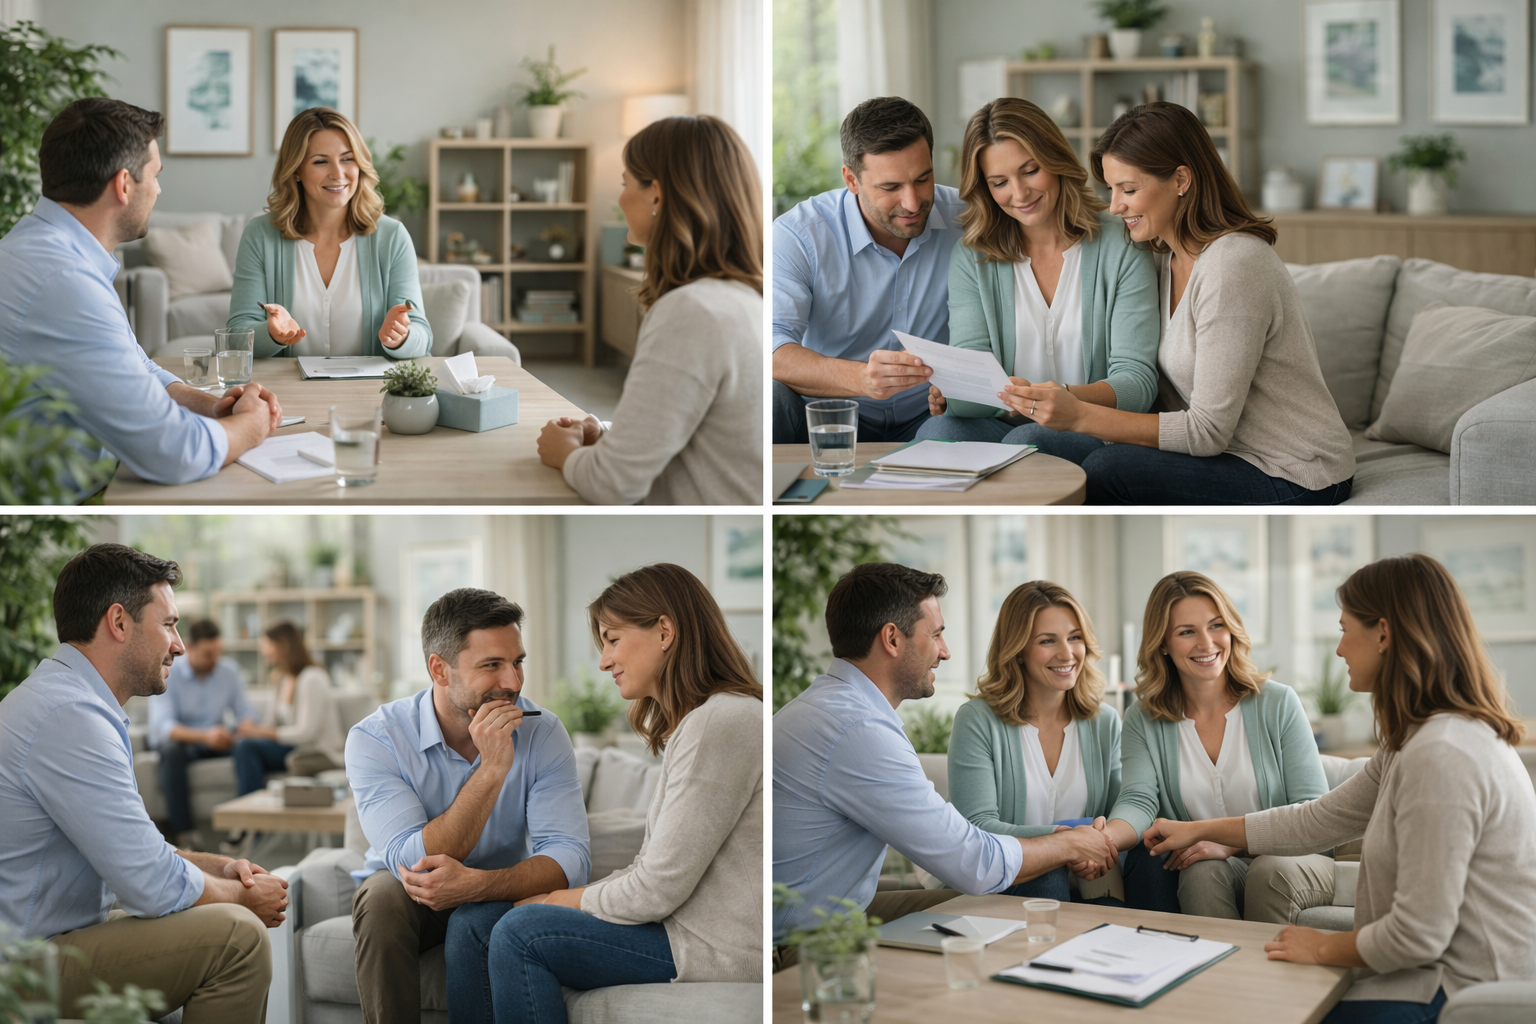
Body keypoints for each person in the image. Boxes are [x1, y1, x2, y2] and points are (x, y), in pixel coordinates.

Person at [1145, 554, 1536, 1023]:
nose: (1340, 650)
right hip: (1431, 972)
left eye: (1345, 629)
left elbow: (1418, 936)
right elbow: (1316, 820)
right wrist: (1198, 830)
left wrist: (1323, 946)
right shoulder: (1414, 741)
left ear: (1384, 634)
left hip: (1460, 989)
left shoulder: (1443, 753)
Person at [445, 564, 762, 1023]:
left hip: (716, 946)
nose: (604, 660)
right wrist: (572, 898)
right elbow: (651, 869)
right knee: (475, 923)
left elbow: (656, 889)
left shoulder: (721, 721)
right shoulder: (705, 721)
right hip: (680, 929)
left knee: (521, 933)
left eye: (612, 639)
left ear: (665, 631)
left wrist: (560, 899)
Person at [1001, 102, 1354, 504]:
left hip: (1294, 470)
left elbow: (1206, 432)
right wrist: (1055, 396)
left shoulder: (1233, 265)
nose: (1115, 206)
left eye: (1129, 190)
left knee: (1108, 469)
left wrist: (1079, 414)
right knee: (1032, 441)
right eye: (1111, 189)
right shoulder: (1162, 258)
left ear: (1181, 179)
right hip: (1224, 455)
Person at [0, 544, 289, 1023]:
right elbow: (150, 885)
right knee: (237, 936)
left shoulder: (68, 701)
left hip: (51, 934)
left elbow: (136, 849)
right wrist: (242, 896)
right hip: (23, 963)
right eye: (169, 624)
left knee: (210, 924)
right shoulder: (69, 716)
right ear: (118, 622)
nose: (178, 644)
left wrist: (222, 868)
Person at [773, 562, 1118, 950]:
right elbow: (972, 862)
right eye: (936, 634)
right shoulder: (857, 729)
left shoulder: (837, 707)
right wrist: (1069, 844)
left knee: (1010, 908)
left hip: (835, 913)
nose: (946, 651)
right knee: (1018, 907)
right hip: (796, 943)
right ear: (892, 639)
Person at [0, 98, 279, 493]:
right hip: (88, 496)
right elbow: (172, 452)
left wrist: (210, 405)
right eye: (155, 175)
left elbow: (138, 366)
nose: (160, 189)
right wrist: (249, 426)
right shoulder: (64, 282)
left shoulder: (45, 248)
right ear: (124, 185)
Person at [344, 588, 589, 1024]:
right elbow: (412, 860)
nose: (512, 682)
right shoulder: (376, 737)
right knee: (381, 897)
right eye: (491, 665)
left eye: (517, 662)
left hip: (496, 888)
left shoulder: (544, 733)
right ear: (439, 669)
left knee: (472, 920)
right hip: (410, 894)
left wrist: (477, 885)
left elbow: (571, 859)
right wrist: (491, 770)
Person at [916, 99, 1158, 463]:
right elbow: (974, 369)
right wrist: (953, 392)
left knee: (1031, 441)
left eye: (1030, 171)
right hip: (1005, 422)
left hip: (1095, 428)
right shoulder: (972, 257)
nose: (1019, 194)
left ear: (1055, 159)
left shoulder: (1120, 242)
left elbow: (1137, 383)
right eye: (999, 182)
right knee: (937, 433)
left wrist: (1059, 398)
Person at [536, 115, 761, 504]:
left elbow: (613, 485)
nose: (620, 198)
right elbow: (701, 435)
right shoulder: (742, 299)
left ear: (656, 194)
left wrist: (564, 453)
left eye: (625, 184)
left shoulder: (692, 313)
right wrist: (610, 433)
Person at [1101, 571, 1330, 921]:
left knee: (1253, 869)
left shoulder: (1278, 703)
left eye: (1216, 625)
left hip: (1290, 859)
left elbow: (1313, 813)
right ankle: (1221, 974)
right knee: (1200, 870)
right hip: (1208, 865)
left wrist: (1235, 843)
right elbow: (1138, 799)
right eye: (1186, 632)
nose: (1207, 644)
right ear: (1162, 642)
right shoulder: (1142, 719)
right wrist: (1102, 840)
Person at [771, 97, 966, 444]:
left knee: (953, 431)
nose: (911, 202)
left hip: (930, 415)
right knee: (767, 400)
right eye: (890, 188)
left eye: (923, 179)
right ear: (851, 179)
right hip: (826, 416)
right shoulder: (799, 235)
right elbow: (770, 347)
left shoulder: (968, 219)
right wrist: (861, 379)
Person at [947, 581, 1124, 903]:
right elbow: (976, 825)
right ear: (1017, 651)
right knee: (1047, 871)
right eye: (1047, 641)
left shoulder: (1105, 721)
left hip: (1088, 881)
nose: (1067, 653)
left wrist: (1098, 841)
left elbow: (1119, 812)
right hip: (1002, 883)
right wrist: (1064, 843)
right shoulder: (977, 720)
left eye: (1075, 637)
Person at [227, 106, 430, 359]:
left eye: (347, 159)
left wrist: (402, 337)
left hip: (371, 394)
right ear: (296, 170)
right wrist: (271, 334)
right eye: (321, 161)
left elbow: (422, 335)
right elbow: (236, 336)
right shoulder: (260, 236)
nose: (338, 174)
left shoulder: (392, 236)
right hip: (287, 395)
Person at [220, 621, 346, 854]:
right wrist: (252, 728)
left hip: (314, 750)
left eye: (266, 645)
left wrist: (259, 733)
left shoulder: (312, 677)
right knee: (244, 745)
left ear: (282, 645)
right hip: (291, 748)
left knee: (247, 748)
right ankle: (250, 825)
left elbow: (304, 732)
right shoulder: (281, 678)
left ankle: (249, 826)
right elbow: (270, 723)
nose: (263, 651)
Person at [148, 618, 259, 850]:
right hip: (183, 744)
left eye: (218, 653)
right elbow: (164, 727)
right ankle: (186, 834)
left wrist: (242, 728)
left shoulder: (228, 671)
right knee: (171, 751)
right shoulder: (169, 671)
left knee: (247, 747)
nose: (214, 660)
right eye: (208, 654)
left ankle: (245, 827)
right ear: (190, 647)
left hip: (215, 742)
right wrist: (206, 735)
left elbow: (246, 713)